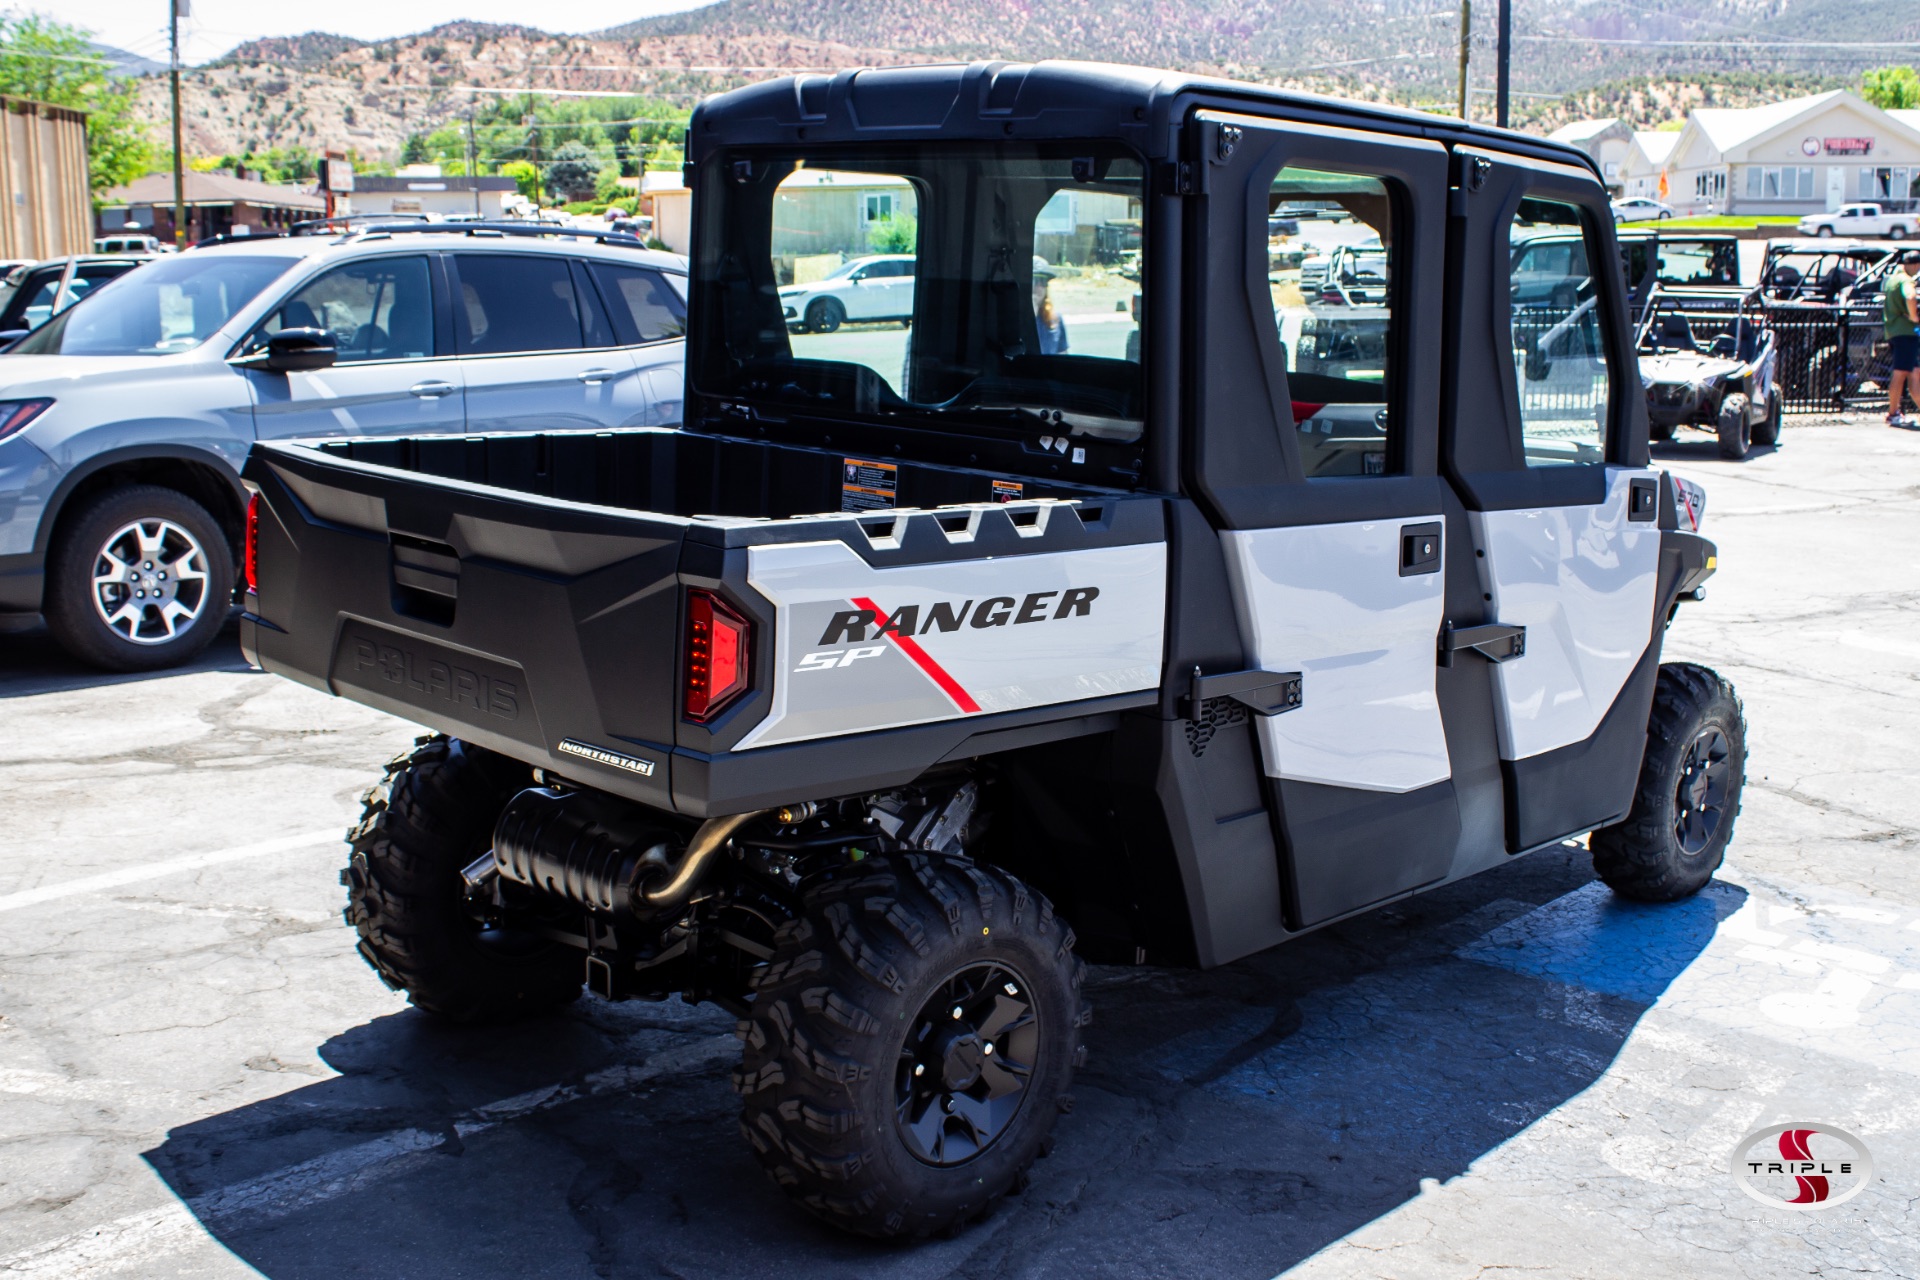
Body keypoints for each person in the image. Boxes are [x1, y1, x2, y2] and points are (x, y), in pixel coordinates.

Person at [1885, 249, 1920, 428]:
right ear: (1914, 264)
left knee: (1914, 374)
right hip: (1905, 333)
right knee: (1900, 374)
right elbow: (1911, 295)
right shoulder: (1907, 280)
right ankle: (1892, 413)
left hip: (1894, 332)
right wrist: (1914, 316)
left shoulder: (1892, 279)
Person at [1033, 273, 1069, 355]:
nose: (1038, 287)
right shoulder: (1016, 320)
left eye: (1042, 282)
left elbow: (1062, 354)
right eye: (1035, 281)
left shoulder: (1055, 319)